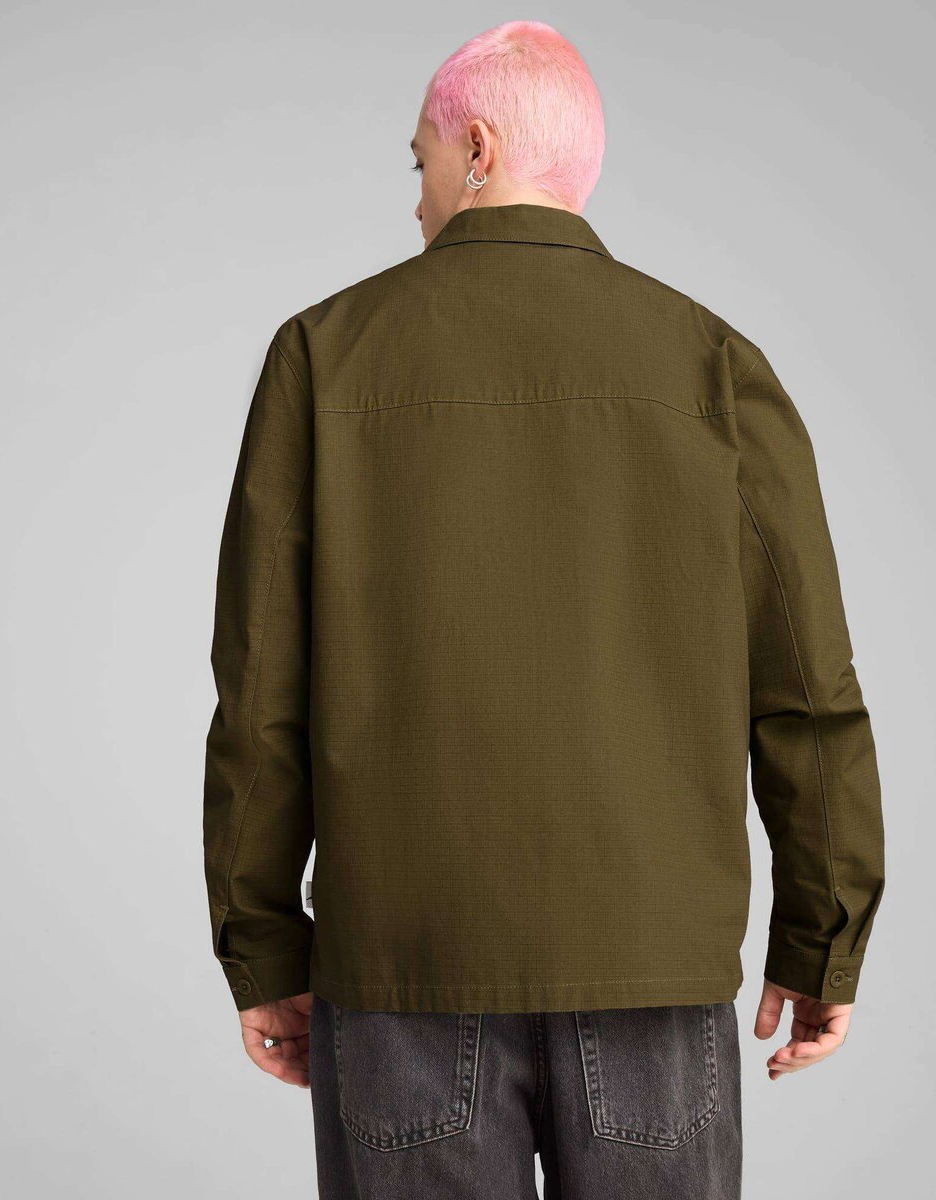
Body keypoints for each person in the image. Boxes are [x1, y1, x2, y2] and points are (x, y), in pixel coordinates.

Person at [202, 19, 885, 1199]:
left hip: (404, 967)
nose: (414, 199)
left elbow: (262, 687)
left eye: (419, 161)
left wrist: (264, 944)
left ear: (476, 149)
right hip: (651, 972)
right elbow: (807, 689)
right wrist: (823, 937)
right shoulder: (713, 364)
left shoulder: (324, 355)